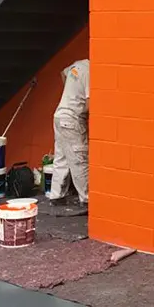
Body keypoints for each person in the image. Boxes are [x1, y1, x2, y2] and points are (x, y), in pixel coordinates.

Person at [49, 59, 90, 208]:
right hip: (72, 119)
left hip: (59, 115)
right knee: (80, 159)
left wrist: (70, 96)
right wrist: (81, 112)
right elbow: (89, 104)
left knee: (62, 157)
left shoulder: (78, 64)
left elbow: (63, 73)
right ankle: (86, 199)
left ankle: (56, 196)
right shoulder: (91, 72)